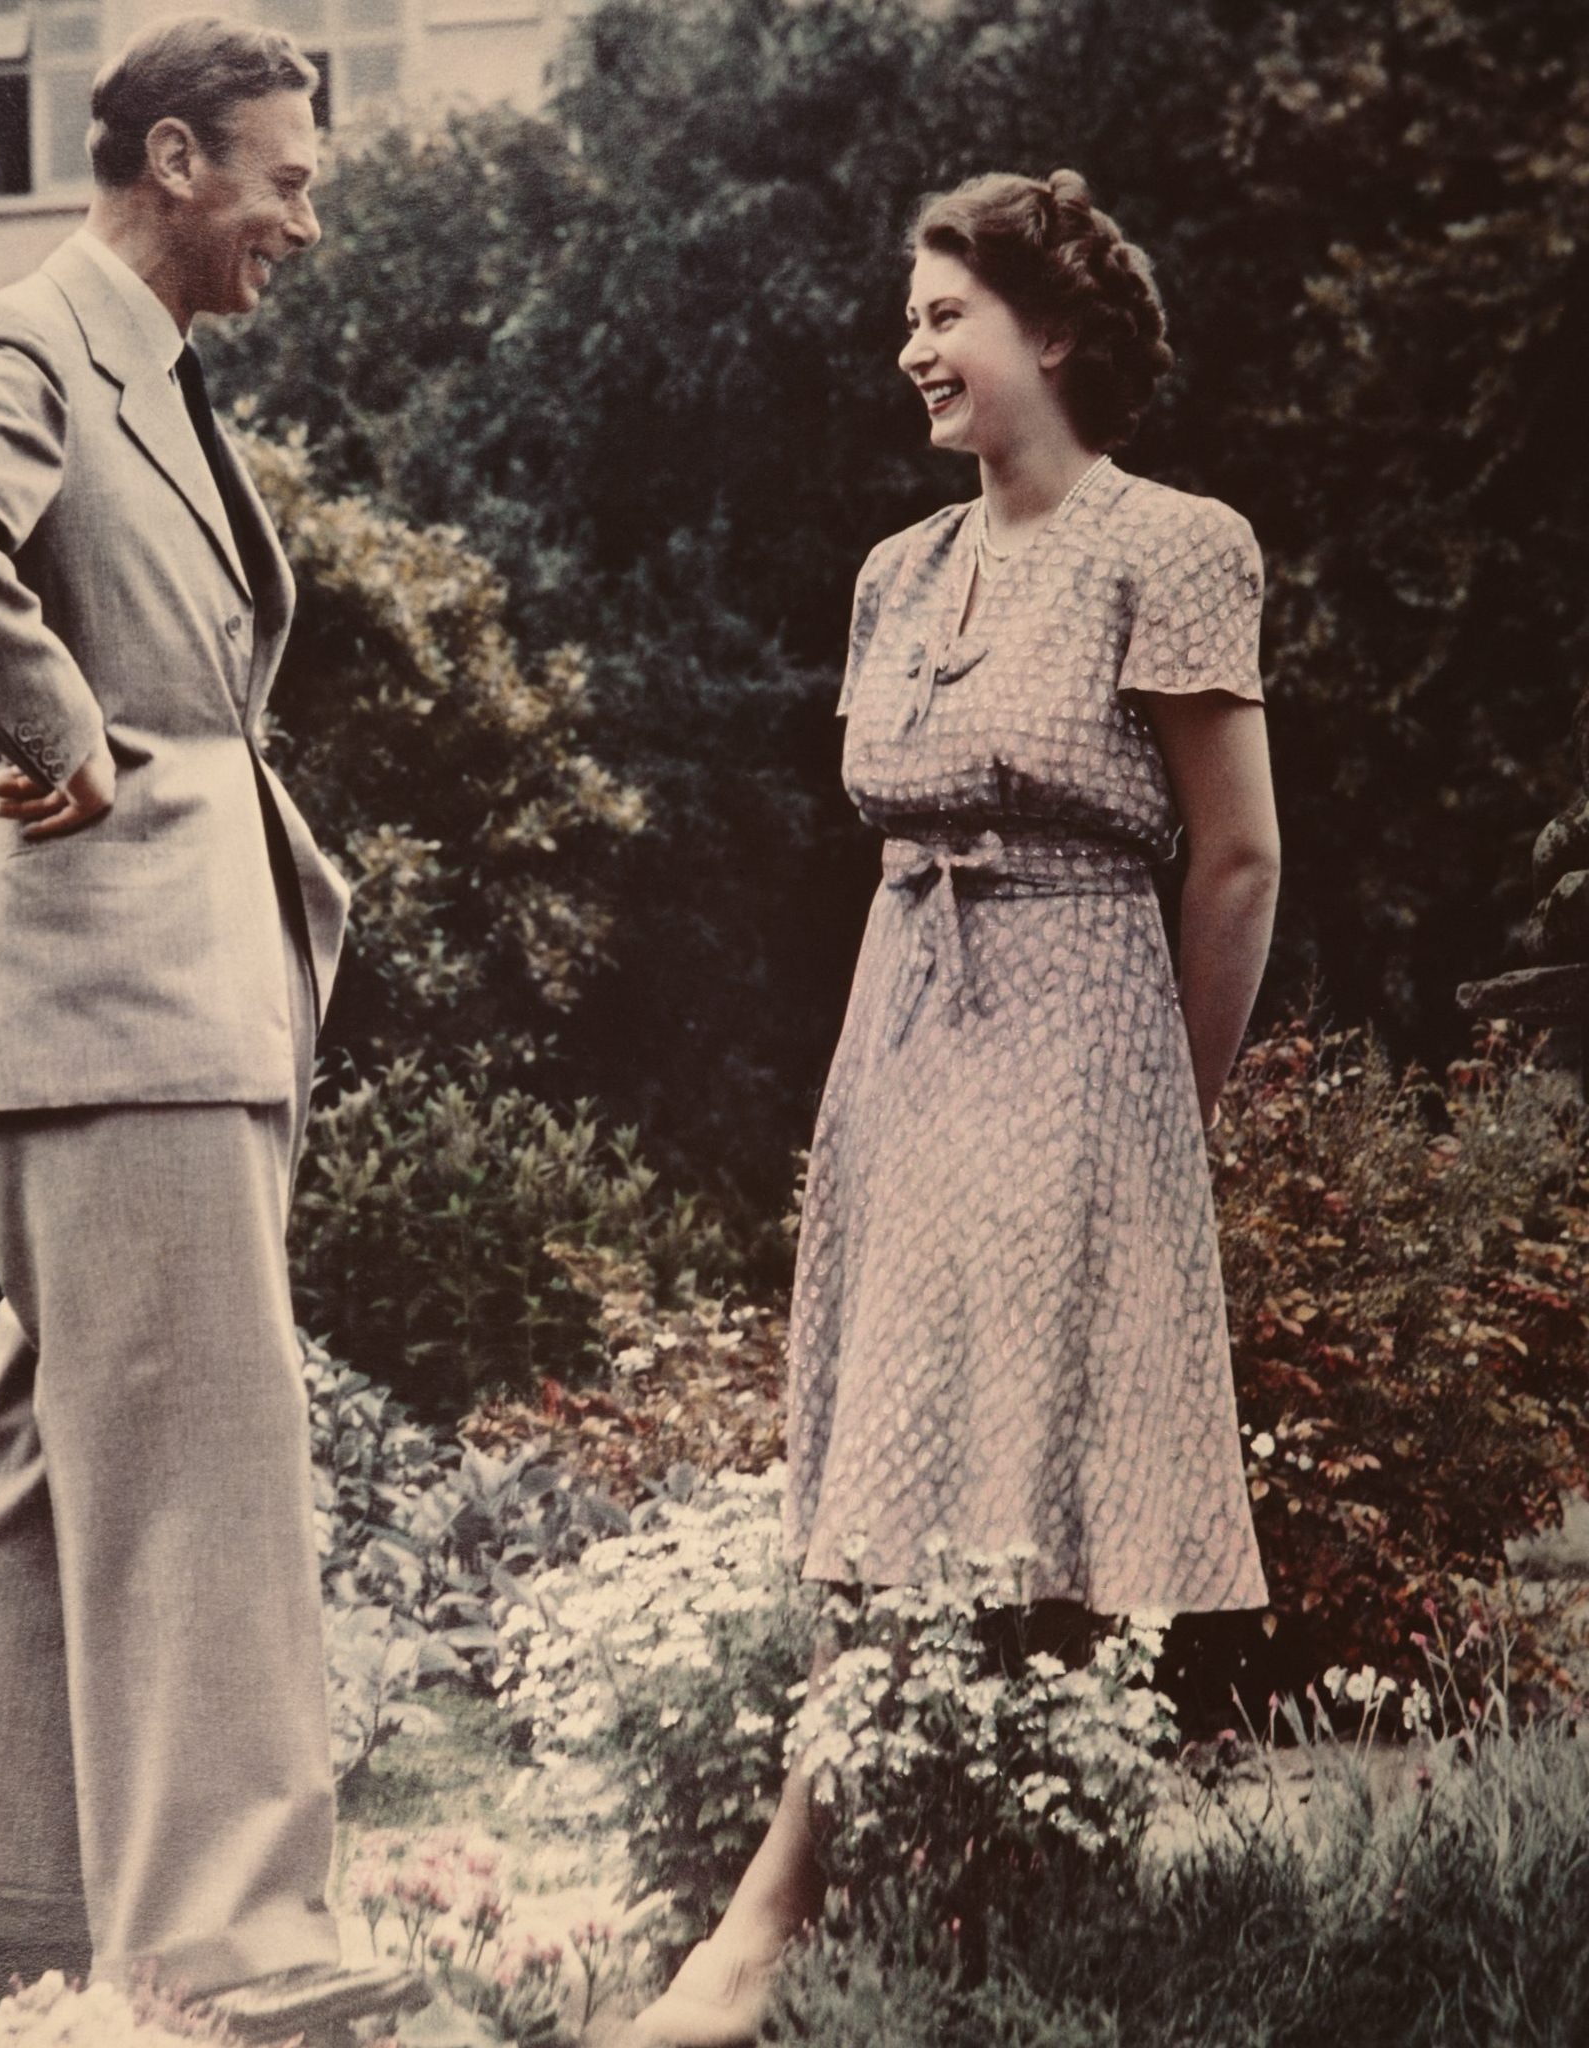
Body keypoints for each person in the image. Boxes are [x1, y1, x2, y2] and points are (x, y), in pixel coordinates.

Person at [629, 168, 1278, 2048]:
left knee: (1017, 1461)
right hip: (902, 1016)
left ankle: (811, 1912)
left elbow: (1234, 865)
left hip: (1084, 1022)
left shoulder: (1181, 543)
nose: (909, 349)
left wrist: (1170, 1107)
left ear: (1051, 332)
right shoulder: (896, 574)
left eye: (942, 316)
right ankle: (920, 1893)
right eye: (911, 321)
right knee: (894, 1462)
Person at [0, 18, 424, 2038]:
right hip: (119, 989)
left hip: (139, 992)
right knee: (198, 1456)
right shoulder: (30, 340)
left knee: (52, 1448)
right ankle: (229, 1942)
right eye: (286, 176)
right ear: (173, 158)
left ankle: (3, 1914)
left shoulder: (144, 374)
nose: (306, 218)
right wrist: (58, 718)